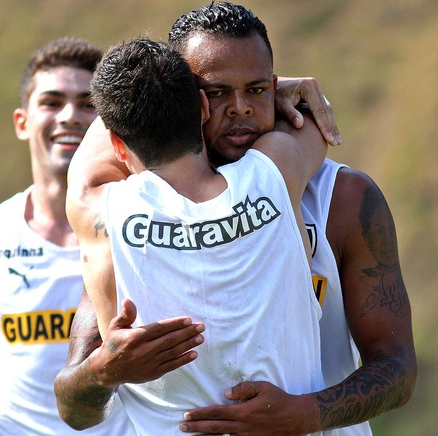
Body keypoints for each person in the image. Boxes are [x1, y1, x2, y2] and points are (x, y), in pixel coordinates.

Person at [55, 2, 416, 435]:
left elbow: (398, 369)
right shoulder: (134, 224)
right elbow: (74, 408)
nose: (241, 108)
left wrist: (308, 413)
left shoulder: (342, 199)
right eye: (218, 91)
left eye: (258, 89)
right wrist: (101, 373)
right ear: (189, 101)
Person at [66, 36, 332, 435]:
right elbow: (310, 120)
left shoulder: (97, 206)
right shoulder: (275, 170)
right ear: (205, 108)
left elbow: (97, 144)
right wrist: (266, 89)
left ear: (119, 144)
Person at [0, 38, 133, 436]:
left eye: (88, 104)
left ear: (110, 122)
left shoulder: (144, 227)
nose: (69, 115)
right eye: (51, 102)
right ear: (22, 122)